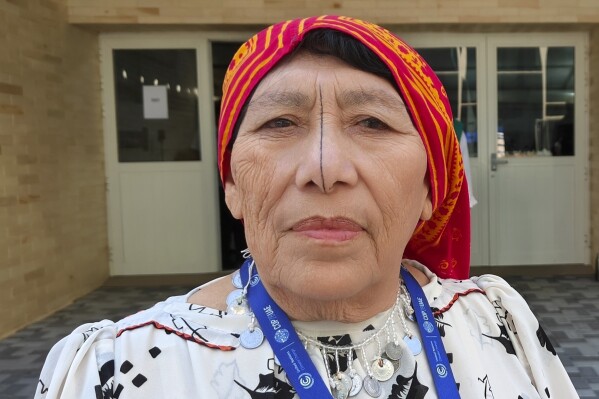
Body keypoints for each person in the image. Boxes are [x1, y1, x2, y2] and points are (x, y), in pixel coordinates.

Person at [36, 16, 578, 399]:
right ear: (231, 185)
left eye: (372, 123)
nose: (324, 168)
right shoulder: (117, 371)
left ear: (430, 189)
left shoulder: (498, 324)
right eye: (279, 123)